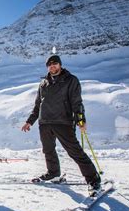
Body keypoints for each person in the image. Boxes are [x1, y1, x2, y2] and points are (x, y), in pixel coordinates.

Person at [21, 54, 101, 196]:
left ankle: (93, 180)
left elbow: (77, 102)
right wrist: (30, 121)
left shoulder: (71, 80)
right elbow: (38, 104)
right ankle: (53, 173)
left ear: (60, 65)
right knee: (48, 150)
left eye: (55, 63)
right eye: (49, 64)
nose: (52, 66)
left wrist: (80, 120)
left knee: (75, 152)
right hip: (45, 122)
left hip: (63, 122)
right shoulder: (44, 83)